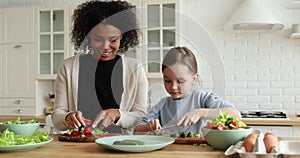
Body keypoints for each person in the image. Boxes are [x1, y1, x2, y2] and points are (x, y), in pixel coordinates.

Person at [52, 0, 148, 134]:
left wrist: (117, 114)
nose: (105, 46)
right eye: (98, 39)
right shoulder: (68, 67)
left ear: (123, 37)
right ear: (88, 36)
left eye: (113, 40)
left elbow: (140, 116)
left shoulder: (135, 69)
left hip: (120, 145)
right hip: (80, 144)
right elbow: (57, 117)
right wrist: (67, 117)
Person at [135, 47, 241, 134]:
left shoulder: (203, 99)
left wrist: (200, 113)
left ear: (194, 79)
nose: (173, 87)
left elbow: (235, 114)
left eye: (180, 81)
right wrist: (148, 127)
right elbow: (137, 129)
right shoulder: (162, 105)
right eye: (167, 80)